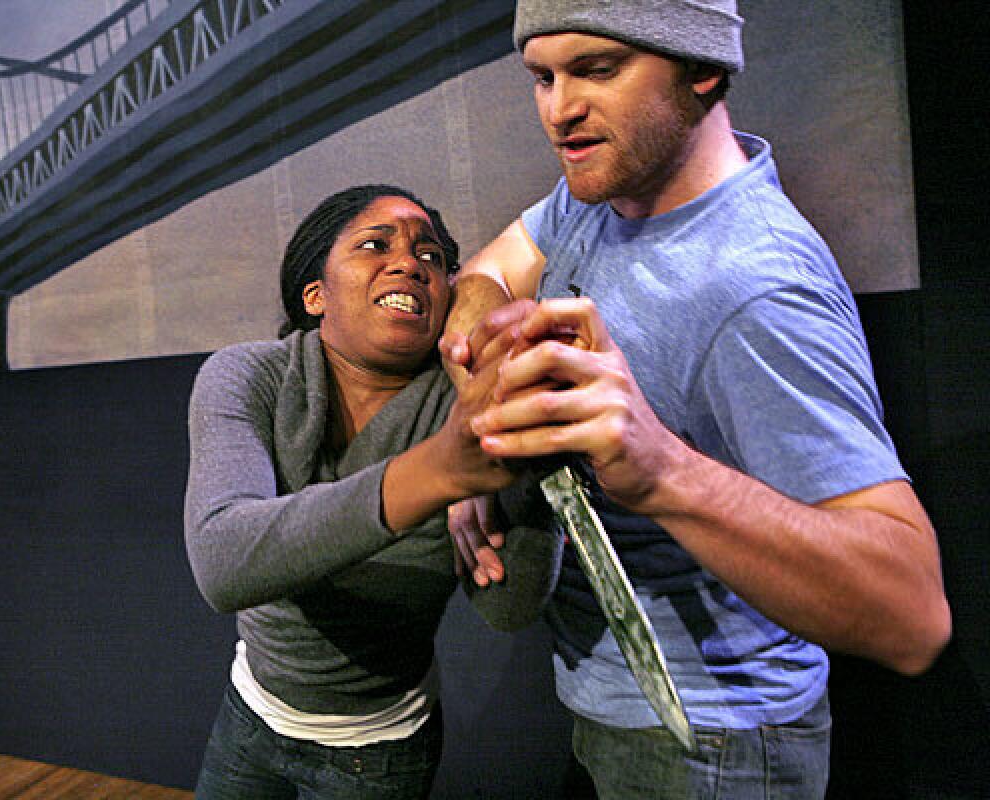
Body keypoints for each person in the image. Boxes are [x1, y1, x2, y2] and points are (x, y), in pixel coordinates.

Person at [441, 2, 952, 797]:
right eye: (541, 76)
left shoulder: (760, 288)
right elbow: (494, 269)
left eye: (597, 69)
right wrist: (477, 376)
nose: (558, 109)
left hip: (713, 745)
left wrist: (661, 470)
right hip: (607, 699)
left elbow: (914, 617)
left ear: (702, 67)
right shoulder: (602, 184)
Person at [184, 184, 560, 799]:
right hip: (251, 718)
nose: (411, 263)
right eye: (373, 244)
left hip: (379, 753)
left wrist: (522, 471)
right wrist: (439, 472)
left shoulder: (466, 411)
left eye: (432, 257)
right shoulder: (247, 377)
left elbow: (509, 607)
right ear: (316, 295)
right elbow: (224, 563)